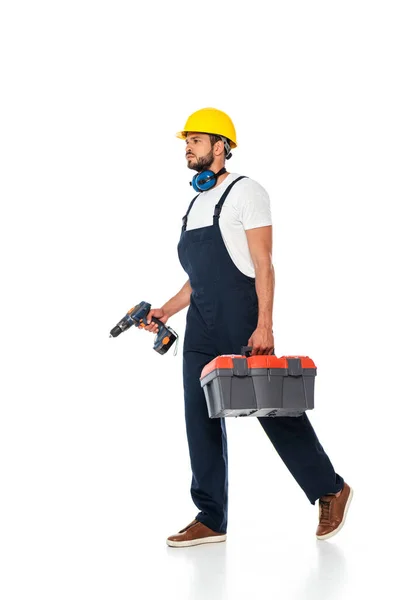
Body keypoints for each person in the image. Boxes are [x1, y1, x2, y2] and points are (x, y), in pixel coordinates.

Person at [143, 107, 353, 548]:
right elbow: (197, 277)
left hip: (243, 317)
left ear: (221, 147)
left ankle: (329, 488)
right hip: (200, 323)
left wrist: (265, 326)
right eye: (187, 141)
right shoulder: (195, 202)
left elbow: (263, 264)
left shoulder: (247, 192)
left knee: (272, 409)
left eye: (197, 140)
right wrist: (165, 309)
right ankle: (211, 516)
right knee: (197, 416)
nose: (188, 147)